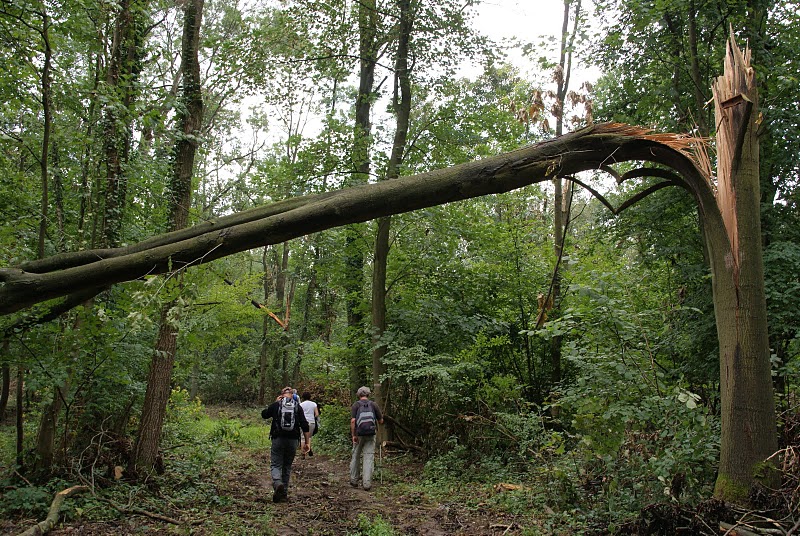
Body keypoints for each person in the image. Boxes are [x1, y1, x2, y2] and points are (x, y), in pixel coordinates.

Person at [261, 386, 310, 503]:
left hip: (278, 438)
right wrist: (307, 442)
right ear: (293, 395)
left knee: (276, 464)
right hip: (293, 440)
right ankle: (284, 494)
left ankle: (277, 483)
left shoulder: (277, 405)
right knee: (287, 466)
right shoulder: (297, 406)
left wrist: (275, 402)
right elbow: (305, 425)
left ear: (282, 394)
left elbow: (264, 414)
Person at [349, 386, 383, 491]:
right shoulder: (374, 405)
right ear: (368, 394)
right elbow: (381, 421)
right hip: (371, 433)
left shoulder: (356, 405)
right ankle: (367, 483)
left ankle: (354, 480)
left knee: (356, 455)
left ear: (359, 395)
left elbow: (353, 421)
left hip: (359, 433)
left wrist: (353, 435)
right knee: (368, 457)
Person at [300, 392, 320, 456]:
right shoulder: (313, 404)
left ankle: (303, 453)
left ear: (303, 397)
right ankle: (308, 449)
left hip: (303, 422)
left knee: (303, 437)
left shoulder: (301, 404)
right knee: (309, 437)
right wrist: (313, 417)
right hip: (311, 422)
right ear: (310, 397)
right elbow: (317, 414)